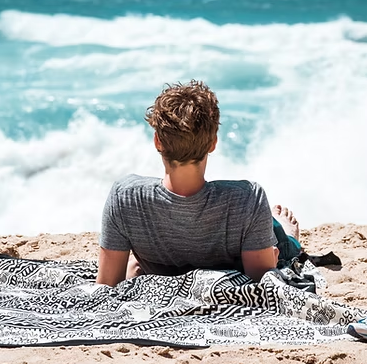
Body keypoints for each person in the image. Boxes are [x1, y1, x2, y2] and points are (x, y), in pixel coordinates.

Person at [96, 80, 300, 287]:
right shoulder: (247, 197)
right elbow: (260, 280)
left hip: (157, 264)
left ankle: (144, 262)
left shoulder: (125, 197)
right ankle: (288, 234)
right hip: (239, 247)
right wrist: (271, 262)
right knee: (279, 237)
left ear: (157, 141)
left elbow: (106, 285)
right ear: (213, 143)